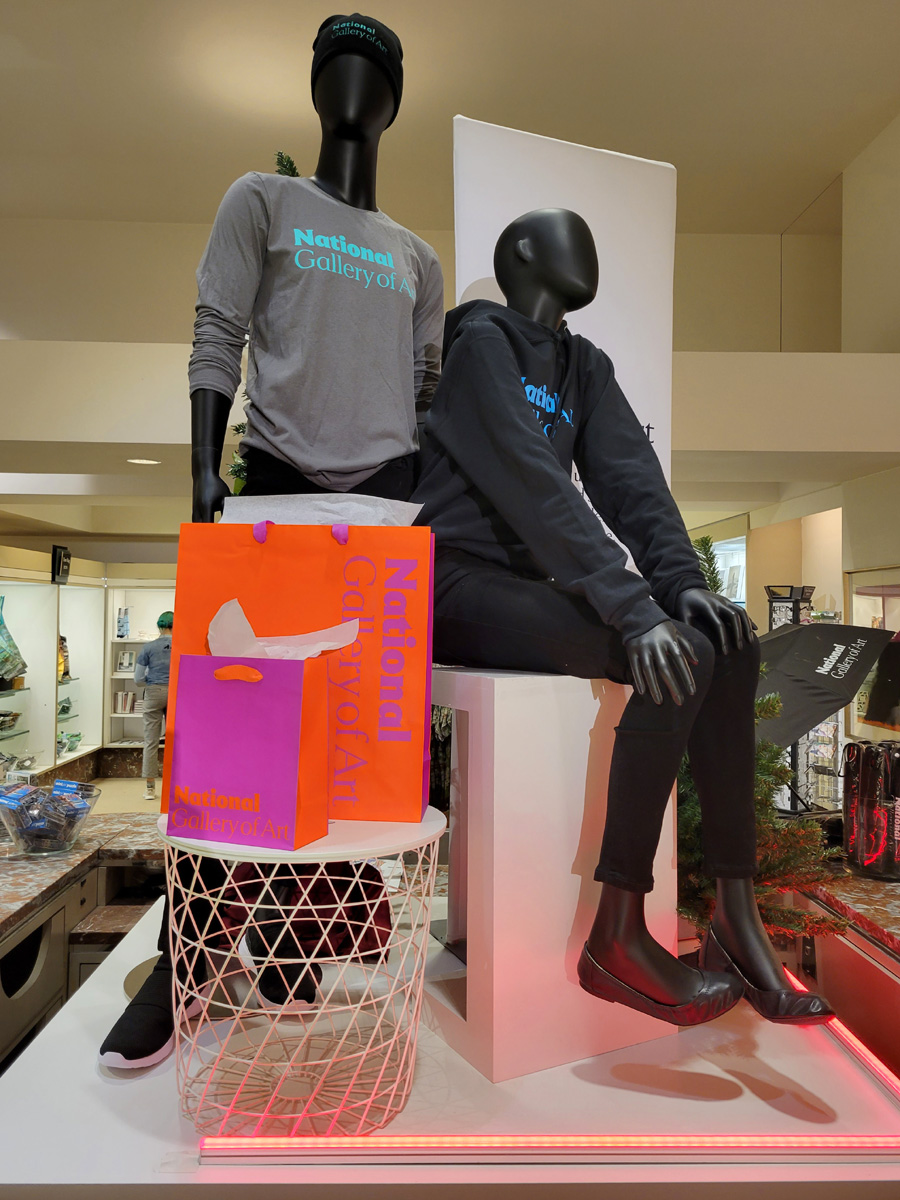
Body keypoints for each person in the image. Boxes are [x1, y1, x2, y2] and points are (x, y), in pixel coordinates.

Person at [99, 12, 444, 1070]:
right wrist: (205, 466)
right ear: (316, 88)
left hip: (384, 505)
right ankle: (186, 960)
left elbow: (428, 392)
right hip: (278, 483)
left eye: (372, 70)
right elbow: (219, 330)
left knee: (353, 738)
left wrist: (428, 502)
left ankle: (295, 941)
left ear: (391, 101)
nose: (353, 85)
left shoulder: (418, 258)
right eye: (336, 65)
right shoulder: (263, 200)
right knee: (229, 737)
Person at [413, 208, 834, 1026]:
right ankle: (616, 932)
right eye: (568, 233)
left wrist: (681, 585)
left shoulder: (584, 364)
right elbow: (535, 484)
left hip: (528, 586)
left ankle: (734, 918)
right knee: (671, 650)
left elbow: (630, 480)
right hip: (456, 584)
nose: (589, 247)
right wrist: (634, 610)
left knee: (723, 639)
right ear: (522, 252)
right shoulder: (480, 346)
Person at [135, 612, 173, 802]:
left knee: (151, 740)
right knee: (177, 740)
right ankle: (177, 785)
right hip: (176, 693)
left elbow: (138, 679)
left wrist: (151, 681)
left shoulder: (148, 647)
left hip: (153, 693)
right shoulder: (182, 646)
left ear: (159, 626)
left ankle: (150, 788)